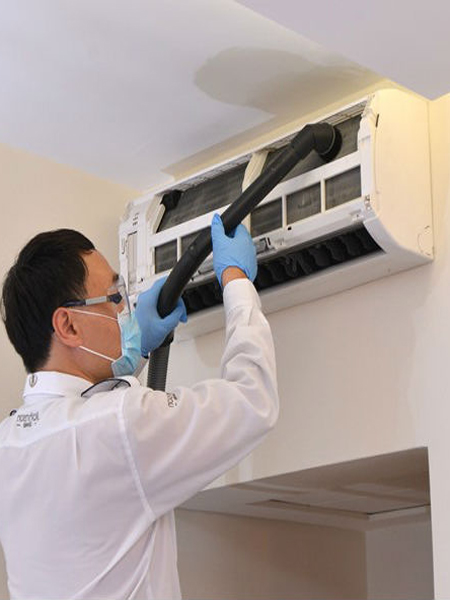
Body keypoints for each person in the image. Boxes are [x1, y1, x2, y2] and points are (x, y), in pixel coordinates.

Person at [0, 214, 279, 600]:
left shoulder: (9, 444)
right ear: (68, 326)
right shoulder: (120, 425)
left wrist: (137, 350)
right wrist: (236, 282)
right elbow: (252, 400)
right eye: (114, 298)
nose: (124, 311)